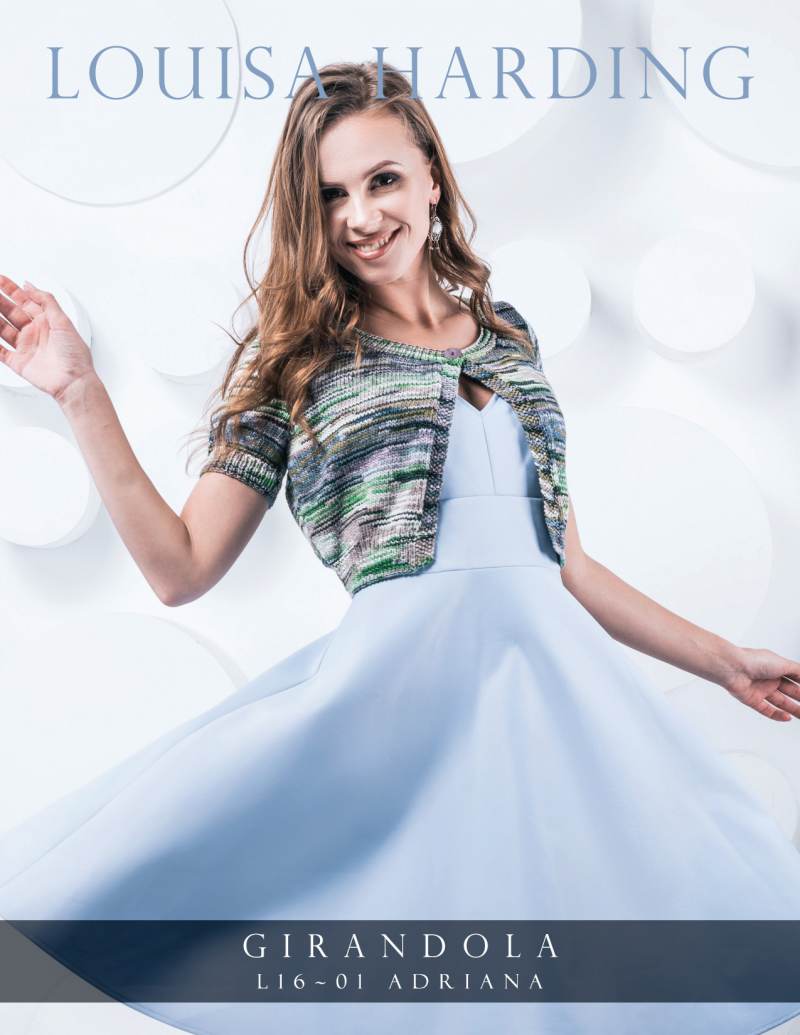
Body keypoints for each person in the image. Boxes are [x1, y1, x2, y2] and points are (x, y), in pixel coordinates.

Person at [0, 59, 799, 1035]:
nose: (361, 215)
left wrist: (724, 661)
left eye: (381, 179)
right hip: (399, 704)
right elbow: (180, 568)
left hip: (548, 695)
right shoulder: (295, 363)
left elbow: (565, 564)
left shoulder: (509, 340)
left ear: (430, 176)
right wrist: (79, 390)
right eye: (331, 196)